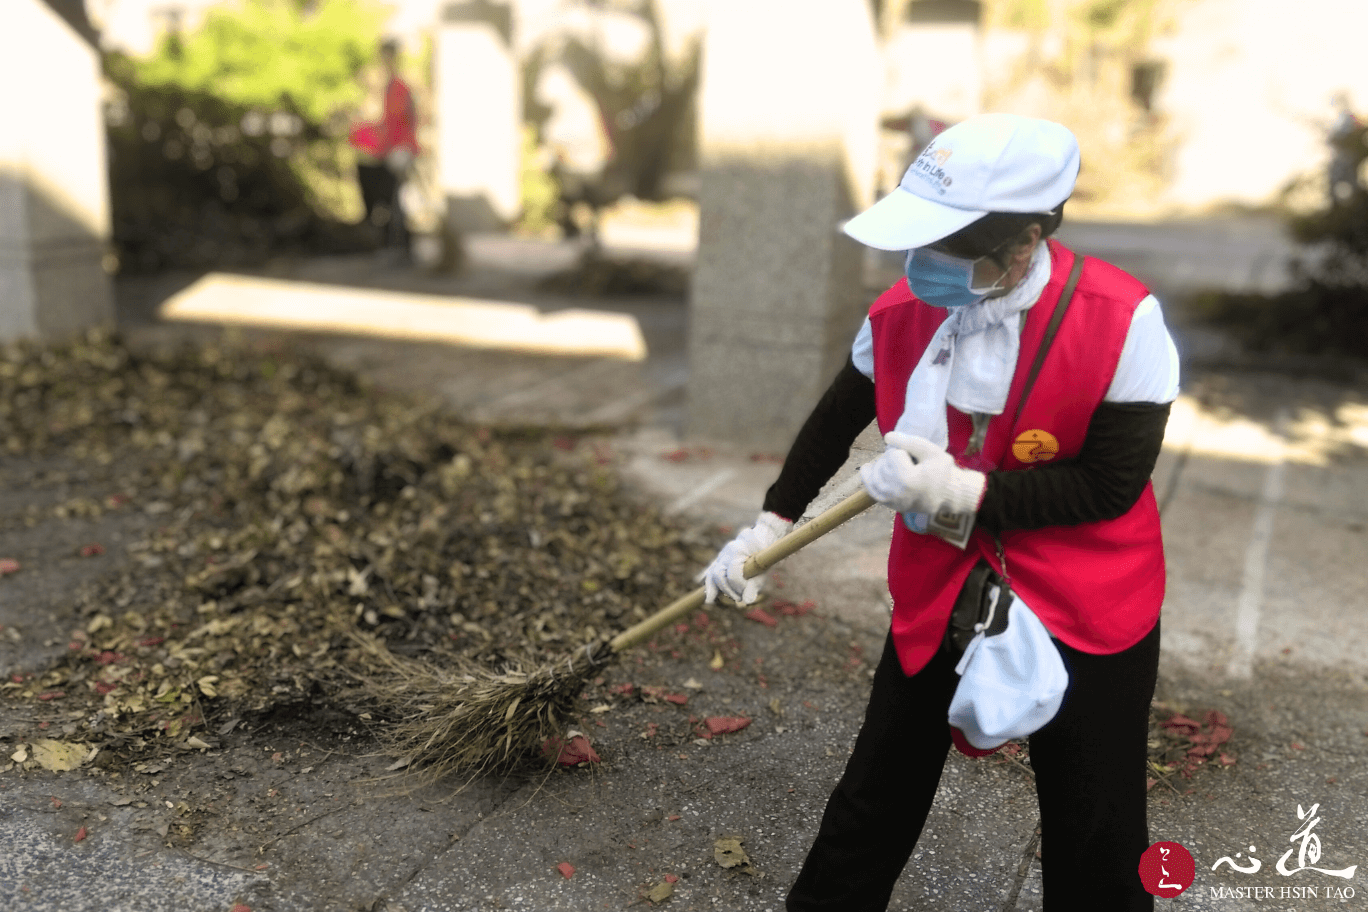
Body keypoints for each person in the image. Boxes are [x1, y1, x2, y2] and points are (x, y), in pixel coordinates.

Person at [700, 113, 1180, 911]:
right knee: (874, 795)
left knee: (1095, 823)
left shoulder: (1124, 322)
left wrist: (962, 493)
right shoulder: (901, 309)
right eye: (914, 243)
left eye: (942, 246)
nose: (919, 266)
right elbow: (832, 424)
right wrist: (767, 528)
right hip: (943, 582)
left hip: (1091, 595)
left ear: (1025, 241)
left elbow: (1109, 488)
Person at [349, 39, 420, 256]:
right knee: (371, 181)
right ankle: (383, 238)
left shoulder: (401, 87)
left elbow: (407, 121)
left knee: (396, 196)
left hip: (400, 149)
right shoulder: (379, 87)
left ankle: (400, 244)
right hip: (382, 150)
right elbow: (373, 123)